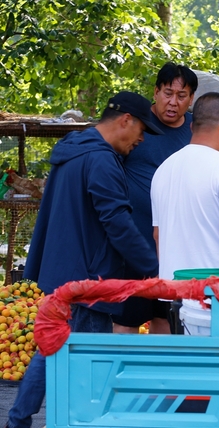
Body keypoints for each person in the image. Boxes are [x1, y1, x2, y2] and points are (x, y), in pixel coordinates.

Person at [5, 91, 163, 428]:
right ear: (125, 121)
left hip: (63, 273)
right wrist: (153, 270)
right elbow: (118, 224)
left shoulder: (73, 153)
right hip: (89, 282)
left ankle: (20, 419)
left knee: (52, 350)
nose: (140, 140)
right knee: (82, 360)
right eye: (141, 131)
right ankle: (53, 421)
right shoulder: (102, 160)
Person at [113, 62, 198, 335]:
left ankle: (160, 376)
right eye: (167, 93)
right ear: (156, 92)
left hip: (176, 245)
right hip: (134, 241)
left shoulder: (197, 131)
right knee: (126, 319)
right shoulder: (136, 124)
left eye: (181, 96)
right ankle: (119, 378)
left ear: (191, 99)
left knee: (166, 317)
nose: (173, 102)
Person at [151, 92, 219, 279]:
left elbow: (158, 236)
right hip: (214, 295)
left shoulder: (163, 170)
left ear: (192, 127)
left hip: (174, 292)